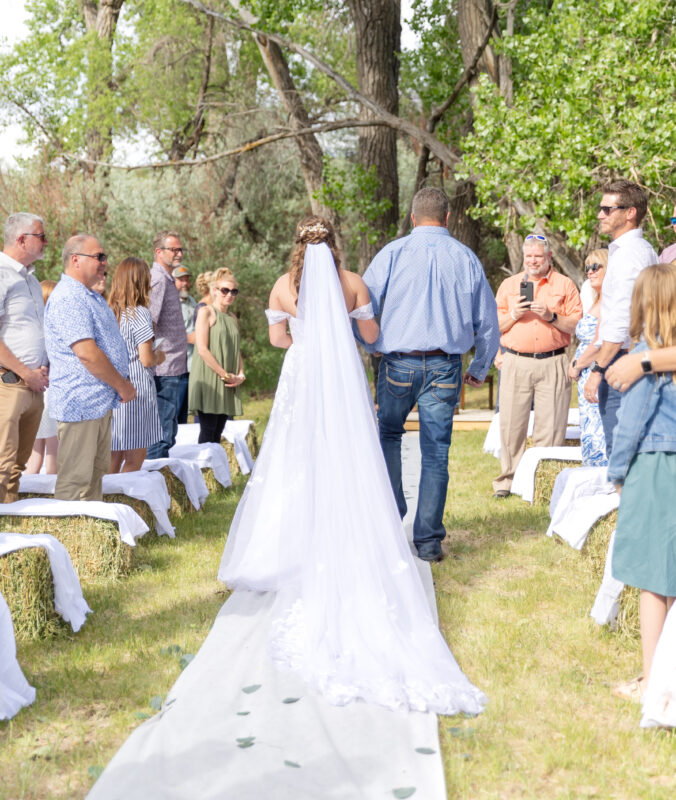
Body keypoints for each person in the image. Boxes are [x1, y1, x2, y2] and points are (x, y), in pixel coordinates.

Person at [219, 217, 487, 715]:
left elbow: (279, 343)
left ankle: (291, 541)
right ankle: (379, 529)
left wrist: (306, 335)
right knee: (354, 450)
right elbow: (371, 334)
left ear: (297, 245)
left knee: (295, 457)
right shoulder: (351, 283)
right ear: (333, 245)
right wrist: (343, 335)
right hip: (340, 376)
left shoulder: (282, 285)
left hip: (303, 376)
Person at [360, 187, 500, 561]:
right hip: (445, 366)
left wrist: (370, 346)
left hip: (398, 364)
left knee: (389, 436)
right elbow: (488, 322)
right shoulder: (466, 258)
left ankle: (391, 523)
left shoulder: (392, 253)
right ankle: (428, 541)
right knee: (436, 453)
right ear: (448, 218)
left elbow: (362, 304)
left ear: (412, 217)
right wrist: (480, 366)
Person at [606, 264, 676, 701]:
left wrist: (615, 473)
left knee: (653, 578)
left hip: (654, 468)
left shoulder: (642, 360)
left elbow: (629, 425)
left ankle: (653, 679)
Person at [44, 234, 135, 501]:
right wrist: (122, 385)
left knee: (94, 476)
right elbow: (87, 354)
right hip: (81, 402)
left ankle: (86, 541)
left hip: (96, 400)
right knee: (76, 481)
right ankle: (64, 541)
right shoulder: (69, 298)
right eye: (99, 257)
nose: (105, 263)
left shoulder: (87, 295)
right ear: (75, 260)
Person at [493, 233, 582, 497]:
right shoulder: (509, 286)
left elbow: (577, 325)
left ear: (548, 257)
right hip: (516, 361)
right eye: (529, 256)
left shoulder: (564, 285)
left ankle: (541, 482)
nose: (533, 261)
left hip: (553, 360)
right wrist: (513, 314)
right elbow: (492, 326)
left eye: (538, 256)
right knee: (511, 424)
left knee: (552, 424)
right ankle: (507, 481)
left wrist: (551, 316)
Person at [583, 180, 657, 457]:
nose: (600, 214)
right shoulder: (639, 251)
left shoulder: (628, 256)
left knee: (621, 449)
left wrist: (598, 370)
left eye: (607, 208)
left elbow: (621, 322)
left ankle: (625, 501)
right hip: (635, 356)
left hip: (623, 358)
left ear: (630, 213)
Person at [0, 213, 49, 503]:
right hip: (8, 383)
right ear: (21, 239)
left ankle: (9, 531)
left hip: (33, 384)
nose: (46, 242)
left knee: (18, 464)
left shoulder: (31, 280)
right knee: (2, 464)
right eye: (41, 236)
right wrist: (25, 372)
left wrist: (41, 369)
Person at [108, 258, 165, 473]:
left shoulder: (111, 312)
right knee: (134, 457)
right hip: (137, 388)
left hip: (114, 384)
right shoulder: (139, 313)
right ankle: (125, 502)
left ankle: (106, 501)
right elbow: (147, 358)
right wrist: (160, 356)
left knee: (113, 456)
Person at [188, 268, 244, 443]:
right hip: (210, 378)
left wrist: (240, 374)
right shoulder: (206, 312)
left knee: (218, 432)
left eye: (233, 291)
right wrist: (225, 375)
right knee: (208, 431)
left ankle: (214, 469)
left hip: (228, 381)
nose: (229, 295)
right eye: (225, 290)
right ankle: (204, 469)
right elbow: (202, 349)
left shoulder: (232, 318)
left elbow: (236, 349)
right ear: (214, 290)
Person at [147, 231, 188, 460]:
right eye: (174, 249)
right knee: (161, 434)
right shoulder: (158, 279)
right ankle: (151, 487)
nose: (179, 254)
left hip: (174, 366)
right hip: (163, 369)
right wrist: (151, 357)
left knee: (169, 432)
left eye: (180, 249)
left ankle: (162, 487)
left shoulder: (168, 279)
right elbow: (149, 322)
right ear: (158, 252)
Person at [567, 250, 609, 466]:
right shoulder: (594, 300)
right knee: (589, 431)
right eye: (587, 268)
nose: (590, 272)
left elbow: (600, 342)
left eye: (596, 267)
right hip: (586, 378)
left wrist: (577, 365)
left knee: (599, 433)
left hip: (598, 374)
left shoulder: (610, 301)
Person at [25, 280, 59, 475]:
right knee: (53, 453)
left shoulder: (33, 328)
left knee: (35, 454)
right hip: (51, 395)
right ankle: (52, 498)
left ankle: (27, 492)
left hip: (36, 394)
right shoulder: (52, 329)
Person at [173, 265, 197, 424]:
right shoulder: (170, 303)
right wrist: (190, 338)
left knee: (186, 415)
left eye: (186, 279)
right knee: (175, 413)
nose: (184, 283)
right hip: (177, 367)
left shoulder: (192, 301)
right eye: (180, 280)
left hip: (192, 365)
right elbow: (165, 334)